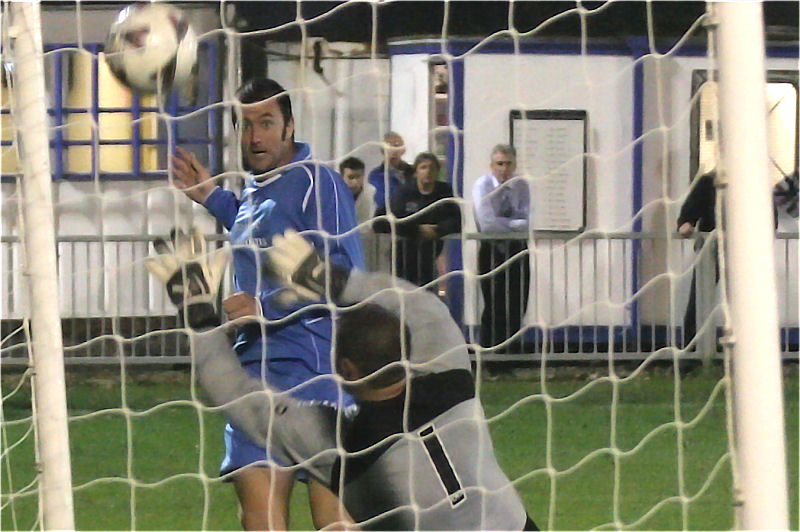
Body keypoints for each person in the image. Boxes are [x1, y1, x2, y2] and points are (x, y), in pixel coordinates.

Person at [145, 228, 537, 531]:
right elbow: (421, 305)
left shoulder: (343, 448)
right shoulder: (452, 375)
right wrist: (332, 280)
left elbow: (231, 391)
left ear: (344, 370)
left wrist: (197, 310)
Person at [170, 78, 363, 530]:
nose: (255, 136)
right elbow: (263, 231)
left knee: (334, 523)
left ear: (289, 126)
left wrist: (266, 306)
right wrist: (217, 200)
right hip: (254, 377)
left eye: (267, 123)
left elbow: (345, 274)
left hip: (319, 377)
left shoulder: (320, 181)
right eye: (246, 124)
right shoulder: (258, 187)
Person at [472, 144, 531, 354]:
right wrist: (513, 224)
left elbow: (528, 221)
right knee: (494, 302)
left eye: (508, 164)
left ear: (514, 165)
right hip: (492, 249)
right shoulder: (482, 186)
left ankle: (512, 353)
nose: (504, 169)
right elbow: (487, 224)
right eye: (499, 164)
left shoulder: (522, 185)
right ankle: (491, 354)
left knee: (518, 300)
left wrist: (505, 224)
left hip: (518, 249)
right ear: (491, 165)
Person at [373, 152, 461, 288]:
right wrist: (416, 230)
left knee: (426, 296)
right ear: (416, 172)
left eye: (432, 168)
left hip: (429, 257)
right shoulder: (404, 192)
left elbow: (457, 220)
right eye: (423, 167)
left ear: (438, 171)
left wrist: (438, 230)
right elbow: (384, 221)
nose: (428, 172)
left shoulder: (444, 192)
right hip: (403, 256)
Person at [340, 156, 378, 272]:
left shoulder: (371, 193)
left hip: (365, 246)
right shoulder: (332, 193)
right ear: (342, 177)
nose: (355, 182)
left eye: (358, 177)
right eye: (351, 177)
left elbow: (369, 224)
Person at [367, 131, 414, 212]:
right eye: (388, 146)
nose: (393, 150)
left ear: (403, 150)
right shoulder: (376, 175)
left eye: (396, 145)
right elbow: (381, 200)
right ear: (382, 151)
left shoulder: (413, 172)